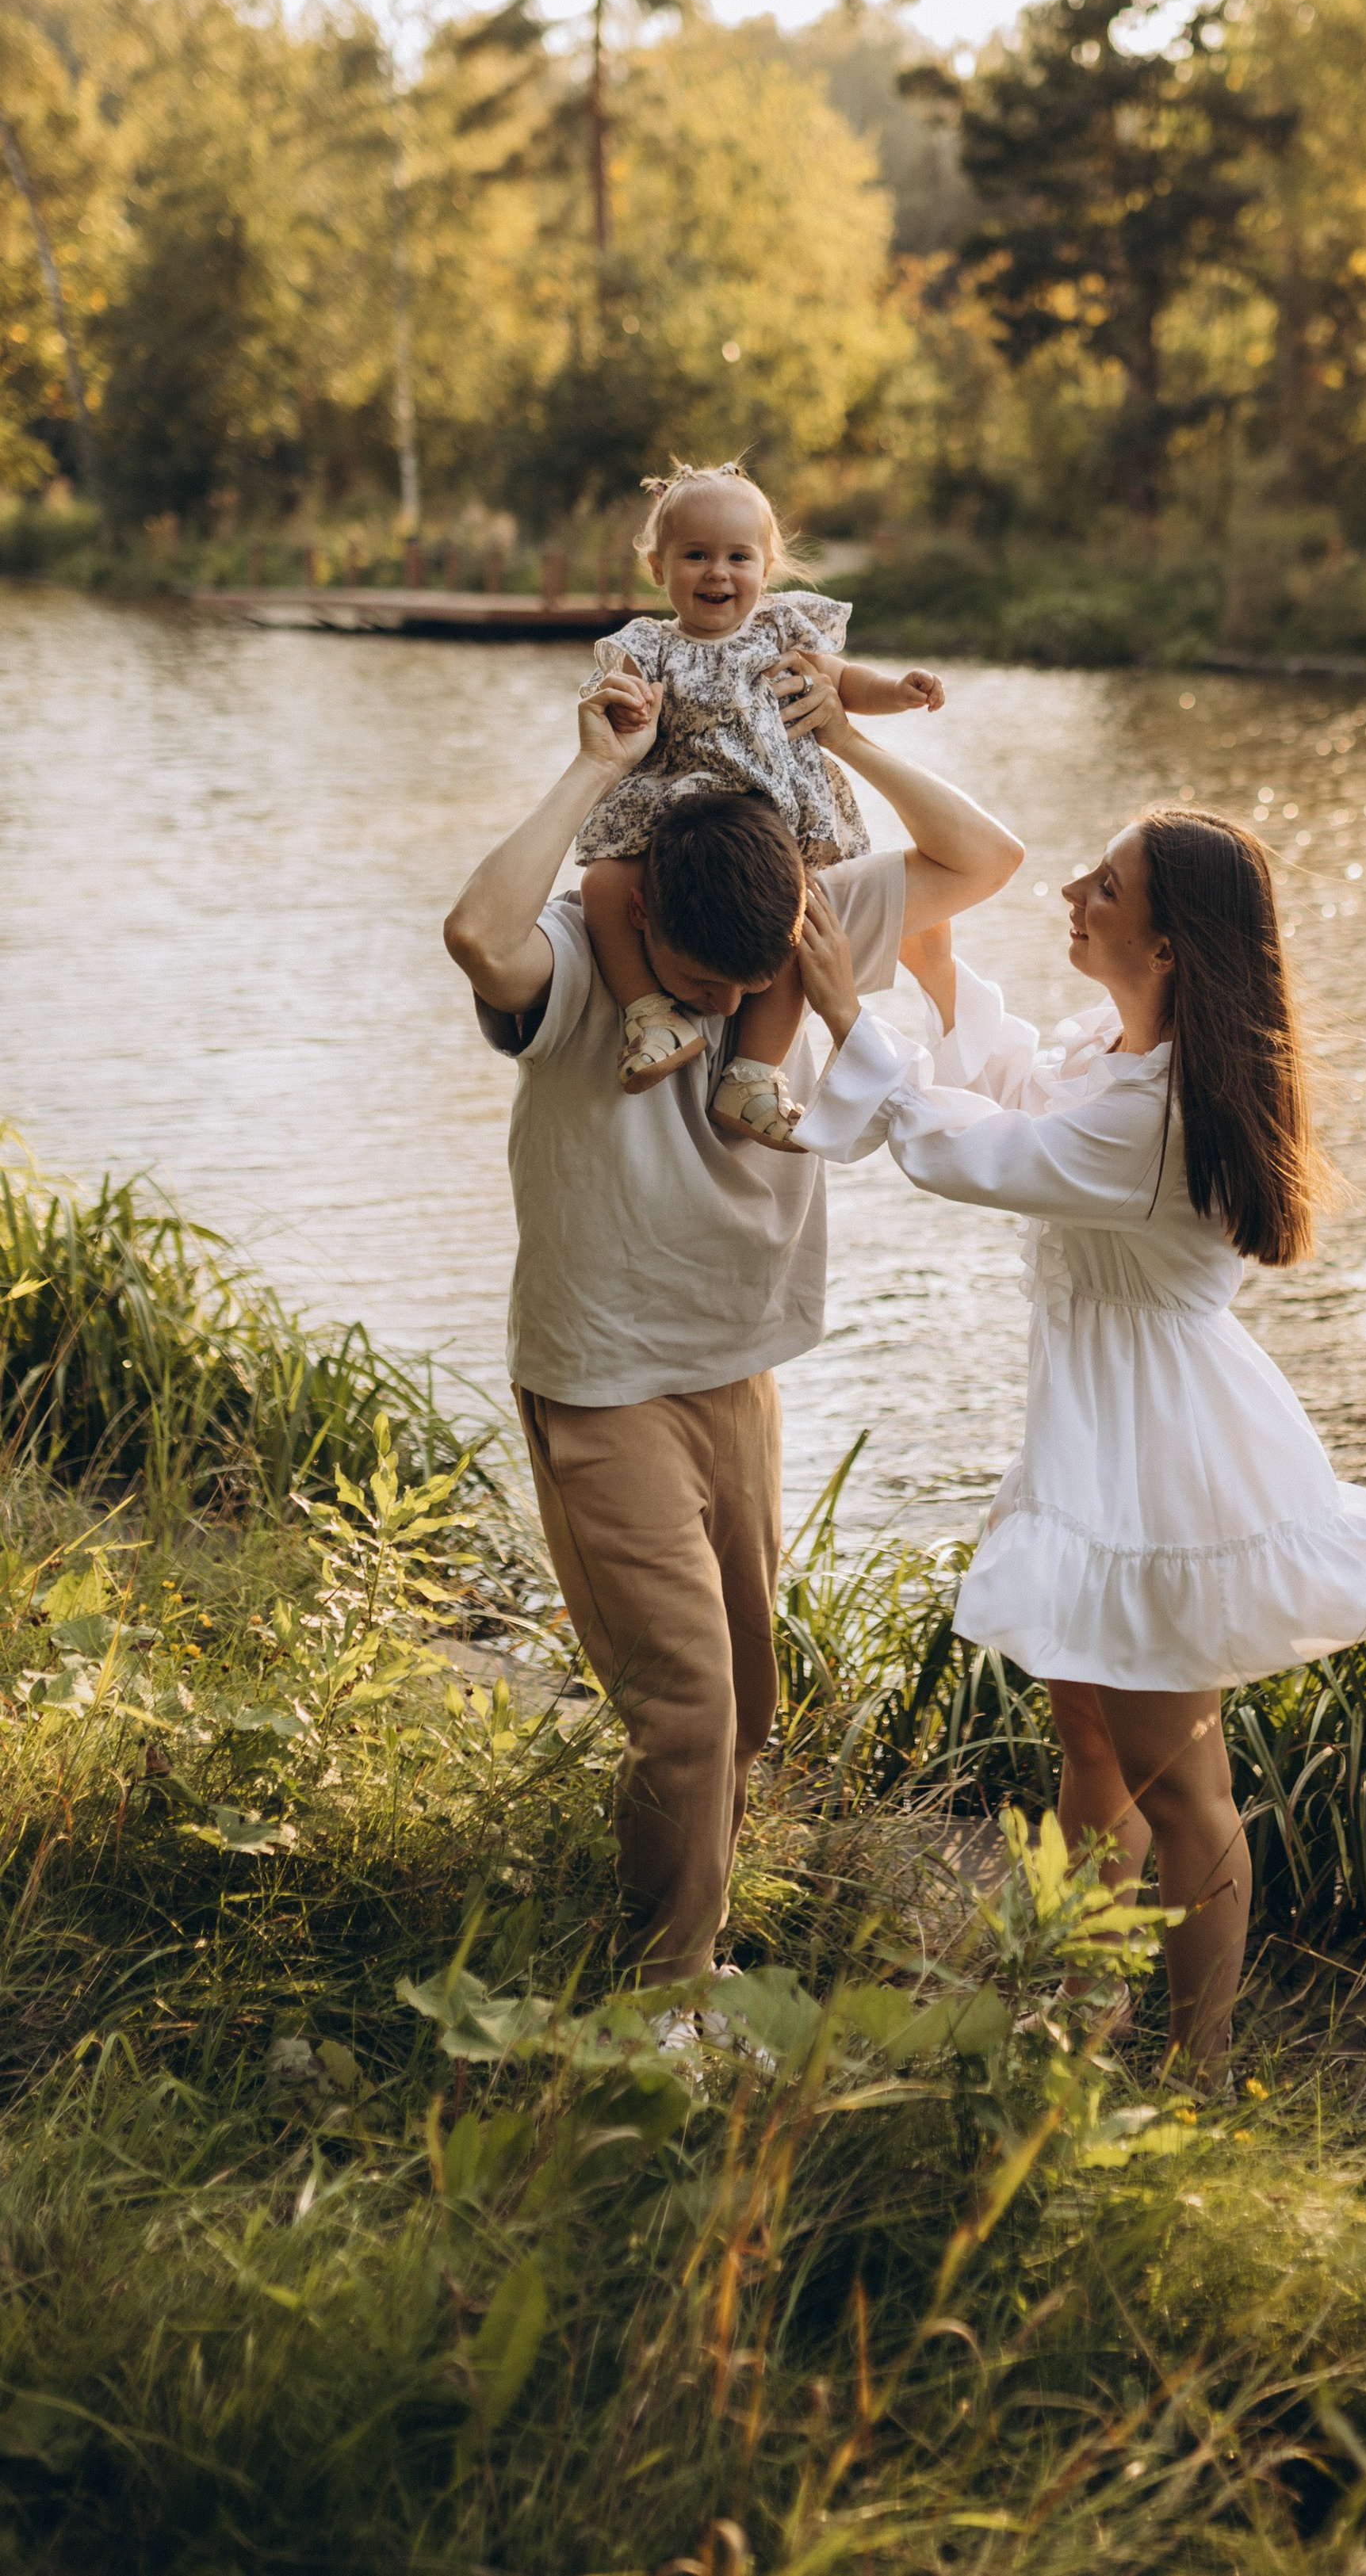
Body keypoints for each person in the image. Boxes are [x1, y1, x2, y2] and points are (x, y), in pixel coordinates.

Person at [796, 808, 1366, 2077]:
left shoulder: (1158, 1118)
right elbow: (1014, 1090)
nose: (1071, 890)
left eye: (1103, 887)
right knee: (1093, 1749)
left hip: (1164, 1460)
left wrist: (845, 1012)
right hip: (1099, 1437)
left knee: (1182, 1787)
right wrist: (932, 960)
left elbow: (973, 1152)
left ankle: (1197, 2072)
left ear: (1165, 949)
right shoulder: (1117, 1057)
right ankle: (1080, 2011)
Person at [442, 646, 1020, 2024]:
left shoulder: (795, 922)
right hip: (603, 1378)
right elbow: (476, 933)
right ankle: (667, 1999)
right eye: (699, 985)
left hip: (738, 1368)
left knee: (746, 1706)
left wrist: (849, 737)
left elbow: (985, 856)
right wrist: (594, 765)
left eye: (741, 988)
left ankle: (675, 1944)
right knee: (690, 1705)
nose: (718, 1010)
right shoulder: (582, 956)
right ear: (644, 912)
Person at [574, 458, 945, 1141]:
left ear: (766, 567)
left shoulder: (781, 630)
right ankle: (651, 1014)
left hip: (768, 829)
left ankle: (752, 1076)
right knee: (603, 886)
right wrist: (624, 703)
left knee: (791, 930)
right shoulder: (647, 644)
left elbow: (845, 682)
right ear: (658, 567)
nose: (717, 572)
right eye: (696, 555)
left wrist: (898, 691)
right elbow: (613, 694)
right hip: (673, 823)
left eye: (738, 557)